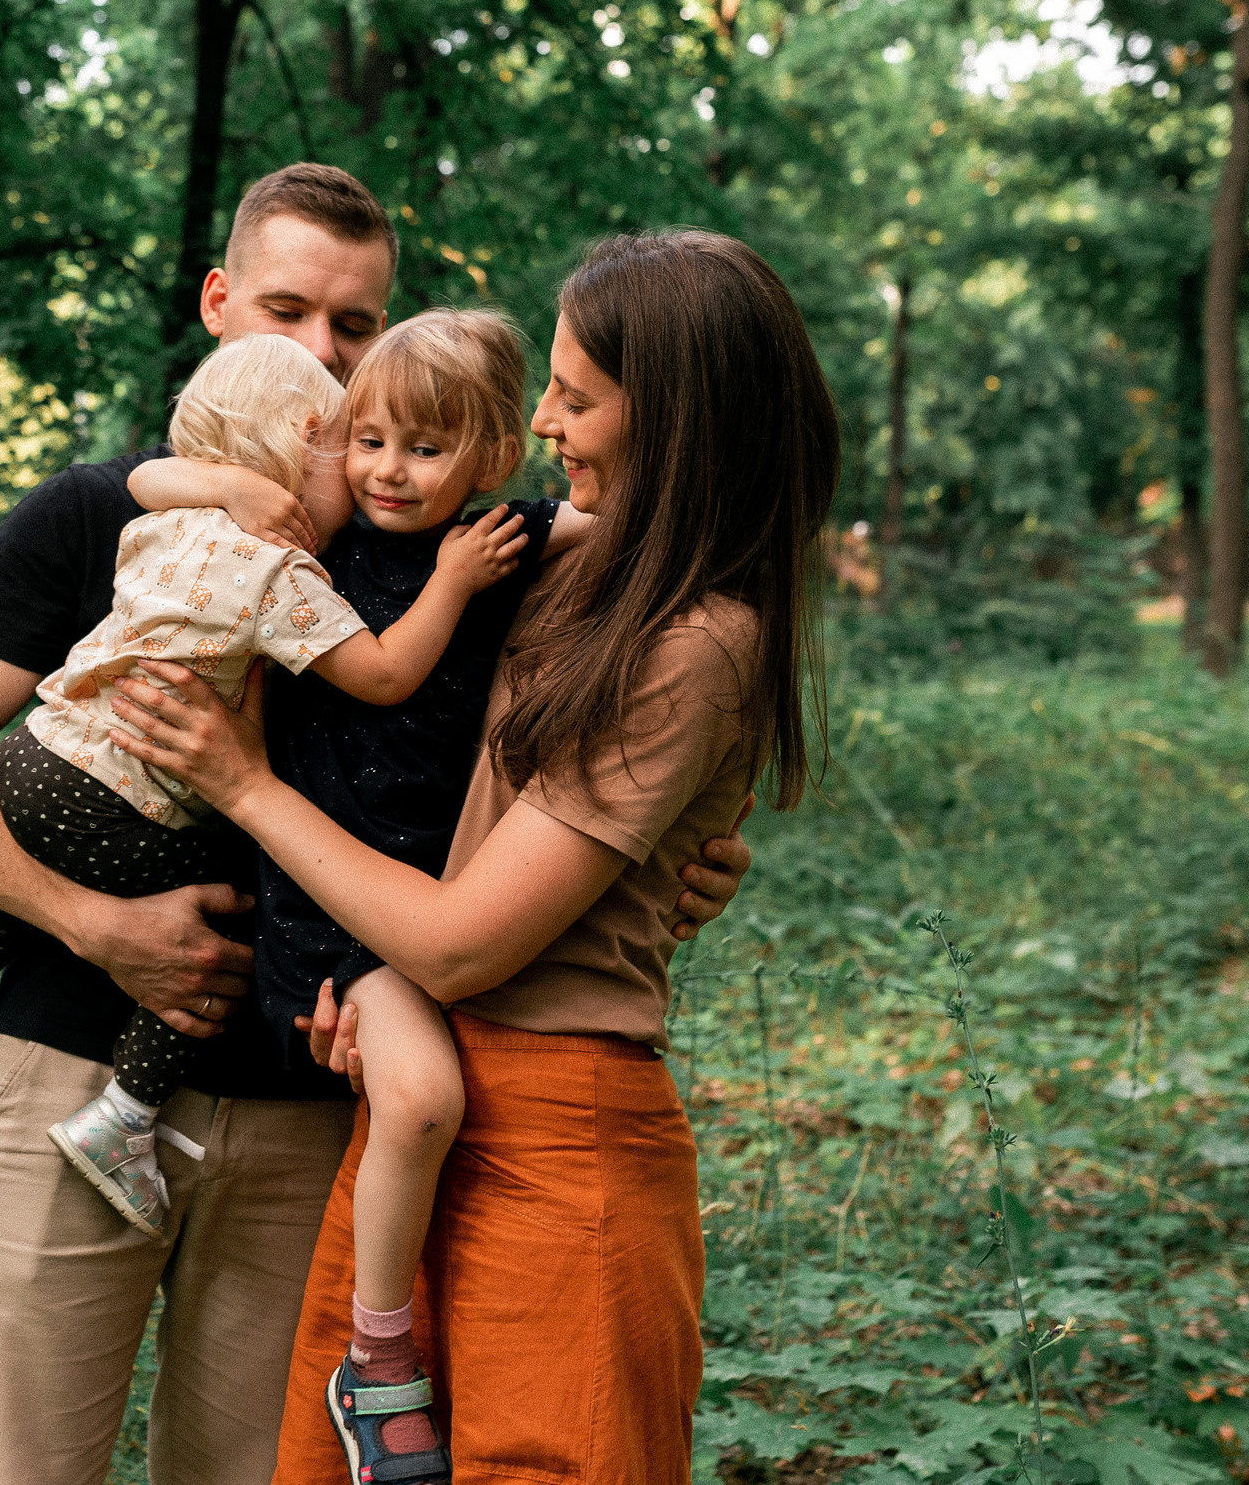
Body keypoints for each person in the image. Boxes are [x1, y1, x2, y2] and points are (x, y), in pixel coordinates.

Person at [0, 171, 756, 1485]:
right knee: (21, 1462)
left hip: (311, 1093)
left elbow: (557, 748)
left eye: (356, 323)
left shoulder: (439, 536)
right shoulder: (112, 511)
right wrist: (99, 926)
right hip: (76, 1064)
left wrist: (676, 852)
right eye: (288, 311)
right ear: (218, 303)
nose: (324, 352)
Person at [107, 229, 840, 1485]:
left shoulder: (697, 633)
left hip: (556, 1140)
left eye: (576, 397)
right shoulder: (566, 570)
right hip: (416, 1103)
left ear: (675, 422)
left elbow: (460, 942)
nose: (545, 421)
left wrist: (245, 784)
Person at [0, 333, 532, 1238]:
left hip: (41, 754)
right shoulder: (281, 572)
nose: (371, 467)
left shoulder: (165, 521)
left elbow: (147, 479)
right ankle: (123, 1114)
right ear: (307, 444)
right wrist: (448, 581)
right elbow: (381, 675)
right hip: (127, 807)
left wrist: (223, 484)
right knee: (229, 923)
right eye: (353, 443)